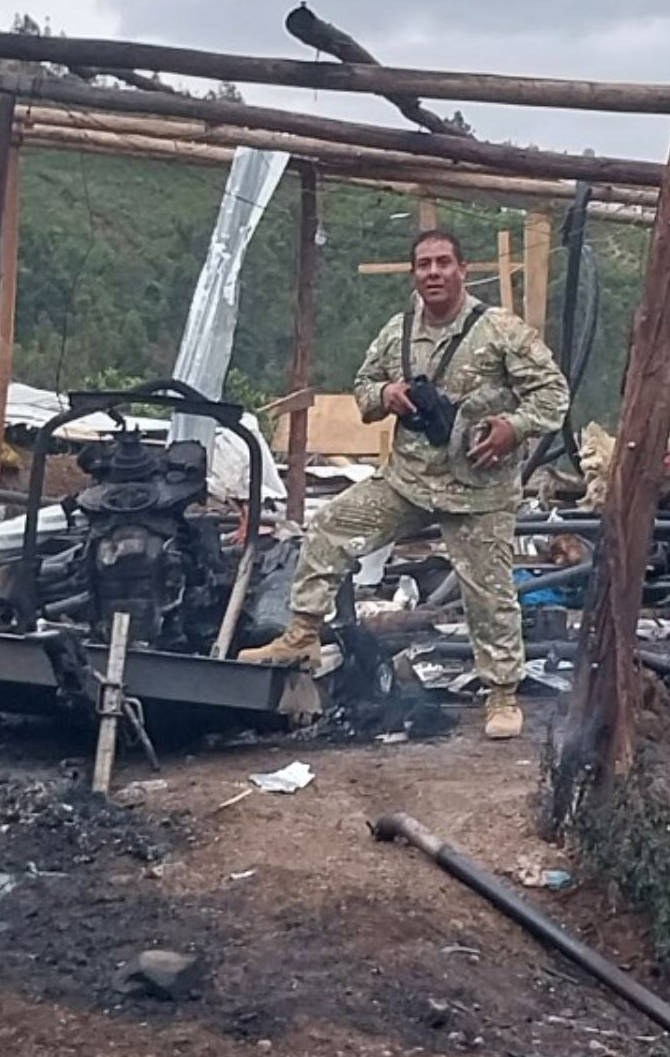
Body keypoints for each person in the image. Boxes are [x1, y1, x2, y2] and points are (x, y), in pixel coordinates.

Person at [240, 229, 569, 739]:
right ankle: (302, 633)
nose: (433, 273)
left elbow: (553, 396)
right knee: (330, 527)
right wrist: (387, 393)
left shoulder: (500, 331)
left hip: (478, 489)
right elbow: (363, 390)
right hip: (410, 479)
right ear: (414, 274)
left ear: (463, 269)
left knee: (489, 592)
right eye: (423, 265)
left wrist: (512, 428)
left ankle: (501, 693)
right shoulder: (398, 332)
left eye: (443, 263)